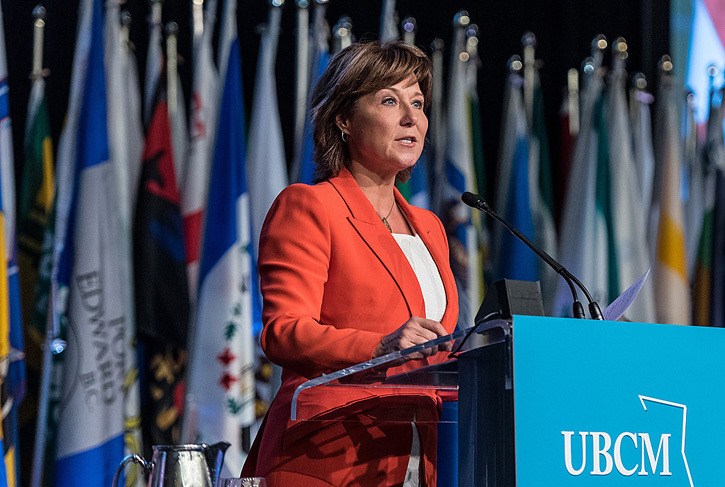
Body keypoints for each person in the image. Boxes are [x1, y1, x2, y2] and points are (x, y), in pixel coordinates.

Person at [242, 40, 459, 486]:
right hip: (328, 458)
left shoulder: (430, 226)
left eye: (417, 103)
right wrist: (378, 347)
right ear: (343, 119)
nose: (411, 117)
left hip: (417, 454)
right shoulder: (310, 206)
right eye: (389, 101)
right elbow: (282, 332)